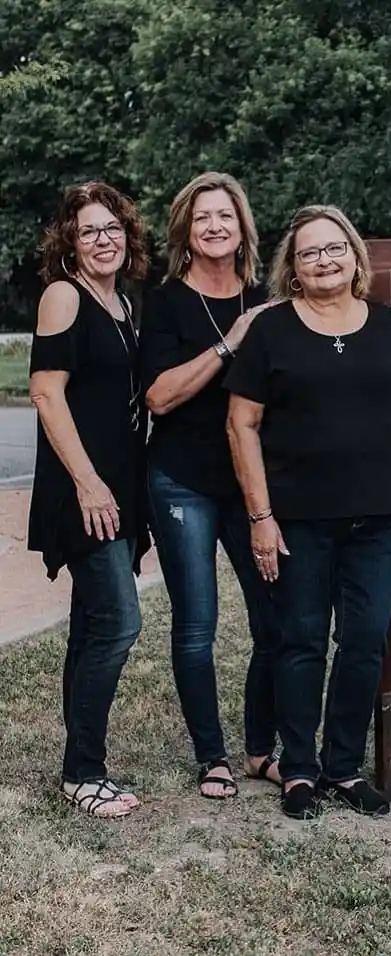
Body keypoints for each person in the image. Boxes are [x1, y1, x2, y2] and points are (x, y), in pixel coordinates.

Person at [224, 205, 391, 820]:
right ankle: (299, 771)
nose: (324, 259)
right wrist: (261, 517)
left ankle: (344, 768)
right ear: (292, 268)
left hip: (377, 520)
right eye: (310, 252)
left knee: (365, 642)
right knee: (300, 643)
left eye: (335, 248)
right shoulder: (271, 332)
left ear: (354, 258)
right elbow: (242, 424)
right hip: (296, 522)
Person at [140, 172, 280, 800]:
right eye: (202, 218)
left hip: (252, 488)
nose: (215, 226)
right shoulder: (167, 301)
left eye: (225, 215)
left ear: (242, 226)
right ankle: (211, 757)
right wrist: (231, 342)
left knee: (274, 619)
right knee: (197, 623)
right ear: (186, 233)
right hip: (181, 483)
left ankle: (259, 750)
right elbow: (160, 397)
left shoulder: (266, 300)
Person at [28, 182, 151, 818]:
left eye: (111, 229)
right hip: (85, 490)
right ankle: (84, 772)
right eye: (88, 231)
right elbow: (47, 393)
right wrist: (88, 482)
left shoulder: (122, 303)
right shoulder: (63, 296)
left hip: (121, 489)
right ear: (68, 242)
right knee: (120, 622)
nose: (103, 240)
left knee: (91, 624)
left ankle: (77, 767)